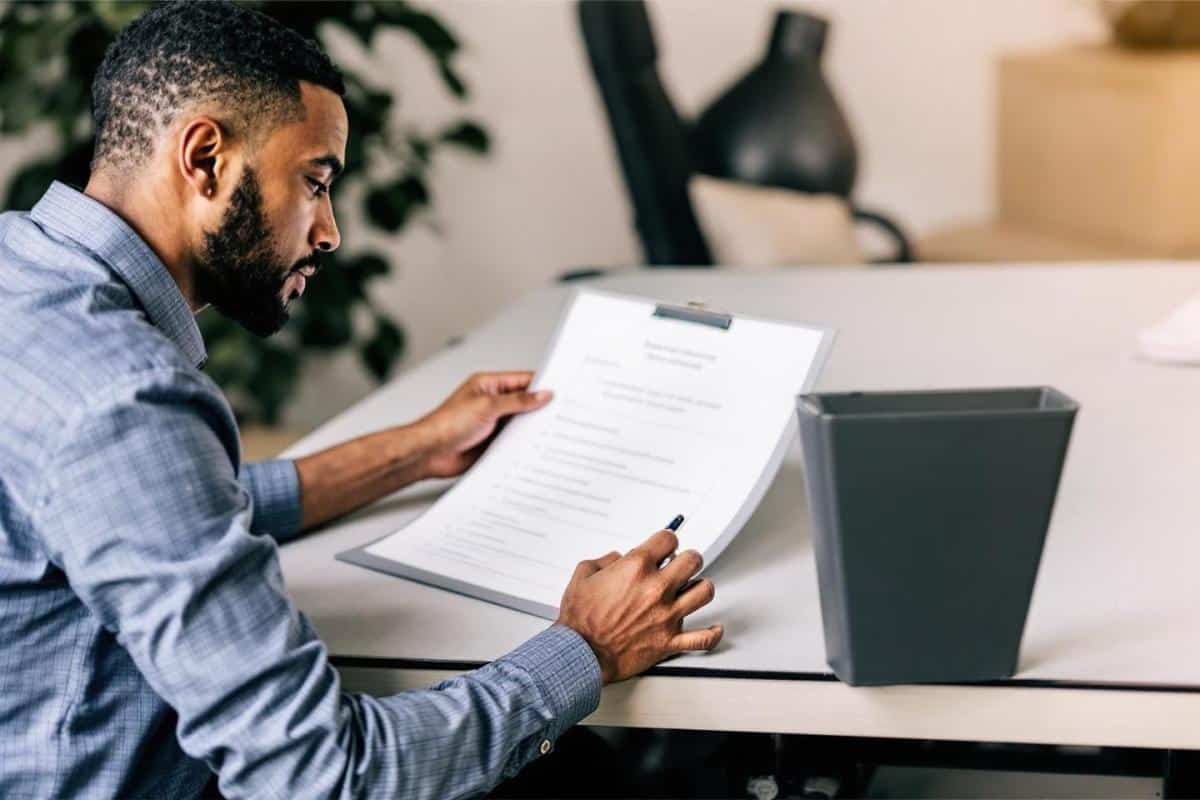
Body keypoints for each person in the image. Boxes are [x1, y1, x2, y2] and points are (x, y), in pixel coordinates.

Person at [0, 3, 722, 798]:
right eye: (314, 181)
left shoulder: (22, 273)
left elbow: (171, 505)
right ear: (205, 158)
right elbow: (322, 775)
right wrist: (587, 645)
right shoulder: (125, 401)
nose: (330, 231)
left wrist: (416, 448)